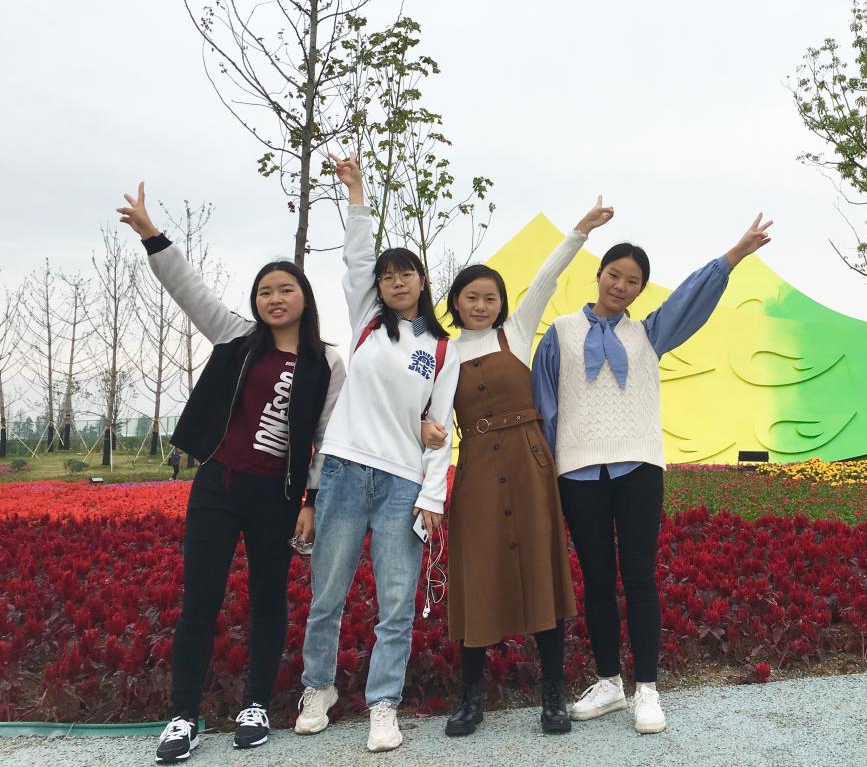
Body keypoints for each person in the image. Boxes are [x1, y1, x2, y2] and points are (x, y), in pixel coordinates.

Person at [117, 183, 346, 763]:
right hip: (218, 486)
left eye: (286, 289)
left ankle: (255, 706)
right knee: (201, 600)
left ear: (305, 297)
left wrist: (311, 500)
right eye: (265, 291)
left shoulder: (327, 361)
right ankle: (183, 716)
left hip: (277, 495)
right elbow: (189, 289)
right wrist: (152, 235)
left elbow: (325, 438)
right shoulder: (237, 337)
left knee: (269, 600)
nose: (275, 298)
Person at [532, 215, 773, 734]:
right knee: (597, 580)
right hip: (577, 473)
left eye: (633, 281)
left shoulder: (649, 333)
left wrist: (733, 256)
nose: (621, 286)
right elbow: (545, 406)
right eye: (614, 275)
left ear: (641, 290)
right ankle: (608, 682)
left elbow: (690, 299)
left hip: (638, 468)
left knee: (639, 577)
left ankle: (647, 688)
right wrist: (547, 470)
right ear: (599, 274)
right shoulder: (560, 333)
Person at [294, 154, 460, 753]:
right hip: (343, 470)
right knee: (328, 593)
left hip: (401, 484)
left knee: (396, 603)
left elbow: (441, 429)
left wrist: (432, 496)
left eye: (405, 273)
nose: (394, 282)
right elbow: (356, 258)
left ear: (422, 281)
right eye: (387, 276)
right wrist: (357, 191)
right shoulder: (367, 321)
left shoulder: (441, 349)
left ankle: (383, 703)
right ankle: (318, 688)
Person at [442, 196, 615, 738]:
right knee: (477, 577)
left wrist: (580, 231)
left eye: (490, 297)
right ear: (455, 301)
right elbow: (428, 416)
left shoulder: (515, 333)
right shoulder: (442, 353)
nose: (481, 305)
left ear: (501, 303)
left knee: (542, 574)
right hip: (475, 472)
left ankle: (553, 695)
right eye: (471, 297)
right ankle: (471, 698)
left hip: (528, 463)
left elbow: (546, 277)